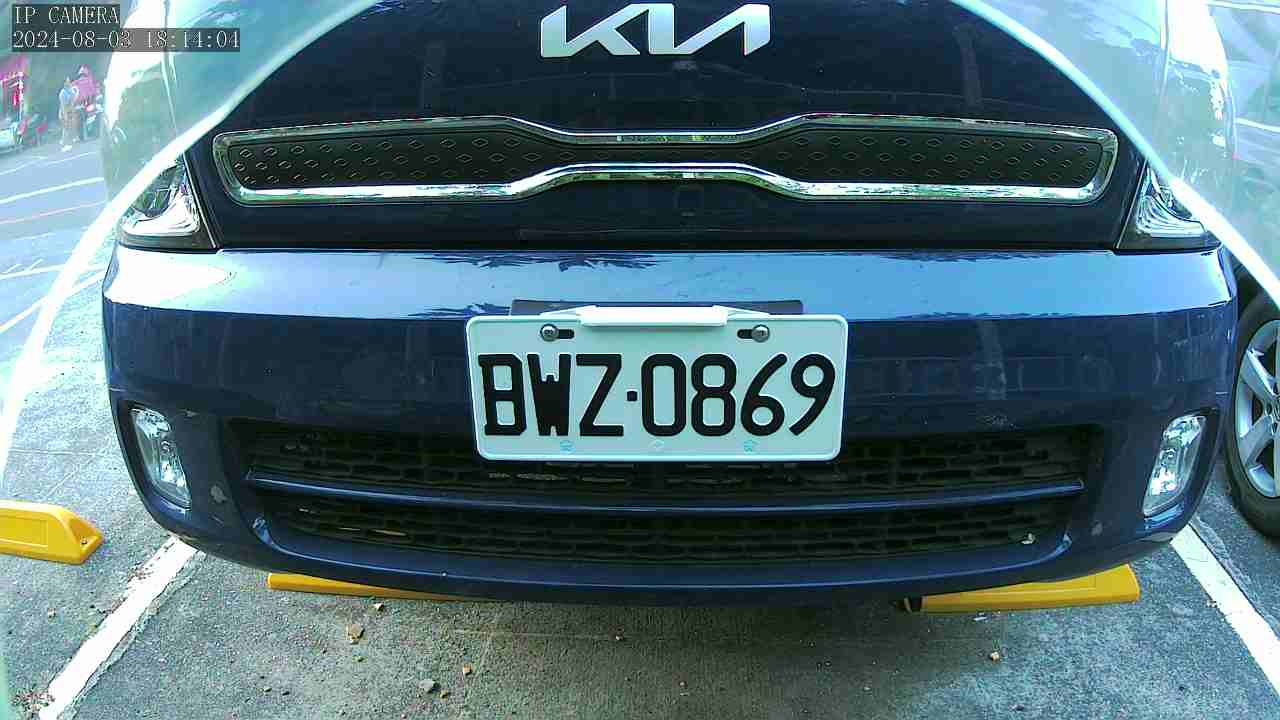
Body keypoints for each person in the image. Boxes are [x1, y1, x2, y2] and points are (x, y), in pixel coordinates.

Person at [58, 77, 79, 151]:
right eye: (67, 81)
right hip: (64, 111)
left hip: (71, 110)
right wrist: (65, 116)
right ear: (64, 83)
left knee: (73, 124)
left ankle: (73, 138)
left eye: (69, 80)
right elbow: (63, 106)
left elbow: (74, 99)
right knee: (66, 127)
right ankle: (64, 143)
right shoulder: (62, 93)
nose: (69, 82)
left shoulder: (71, 90)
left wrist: (77, 91)